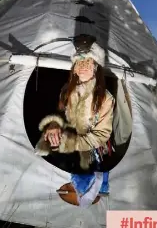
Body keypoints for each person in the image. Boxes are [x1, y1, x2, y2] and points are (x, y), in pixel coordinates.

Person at [35, 37, 115, 206]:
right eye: (79, 62)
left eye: (88, 61)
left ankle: (88, 189)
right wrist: (53, 125)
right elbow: (59, 114)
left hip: (91, 149)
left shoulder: (105, 98)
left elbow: (101, 134)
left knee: (87, 176)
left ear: (96, 67)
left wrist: (72, 143)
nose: (83, 66)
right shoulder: (66, 90)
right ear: (74, 68)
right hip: (66, 143)